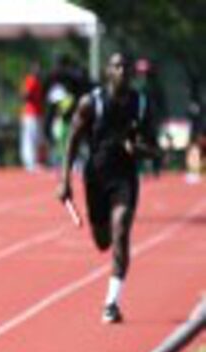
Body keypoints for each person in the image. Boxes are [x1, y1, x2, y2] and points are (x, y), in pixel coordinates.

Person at [57, 52, 156, 324]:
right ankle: (110, 245)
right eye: (116, 66)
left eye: (126, 66)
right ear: (107, 71)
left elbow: (155, 149)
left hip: (125, 178)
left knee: (121, 229)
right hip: (96, 179)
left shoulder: (141, 104)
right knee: (103, 241)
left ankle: (111, 303)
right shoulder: (92, 102)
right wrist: (64, 180)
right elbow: (72, 141)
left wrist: (138, 150)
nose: (122, 70)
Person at [19, 62, 44, 171]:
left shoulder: (38, 82)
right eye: (36, 69)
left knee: (37, 138)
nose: (38, 71)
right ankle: (30, 163)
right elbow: (25, 95)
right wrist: (31, 97)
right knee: (30, 138)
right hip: (30, 114)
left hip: (37, 113)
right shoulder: (31, 80)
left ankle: (34, 161)